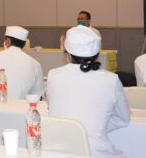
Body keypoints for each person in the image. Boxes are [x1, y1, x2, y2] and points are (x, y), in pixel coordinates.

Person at [47, 25, 130, 157]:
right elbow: (123, 119)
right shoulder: (111, 80)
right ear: (97, 54)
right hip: (95, 152)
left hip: (57, 151)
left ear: (67, 53)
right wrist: (94, 127)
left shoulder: (53, 75)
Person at [0, 26, 44, 100]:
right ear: (24, 43)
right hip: (21, 109)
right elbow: (37, 94)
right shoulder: (35, 64)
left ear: (8, 40)